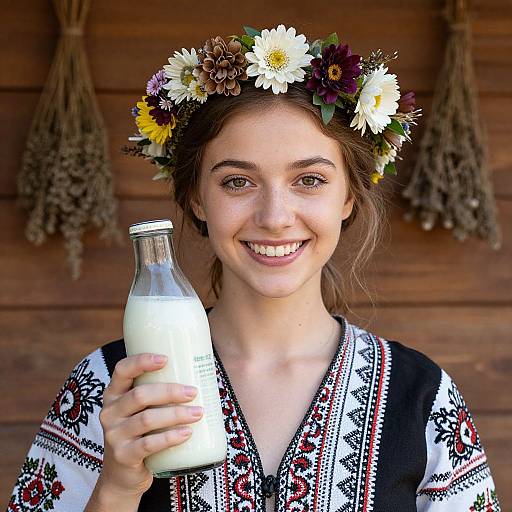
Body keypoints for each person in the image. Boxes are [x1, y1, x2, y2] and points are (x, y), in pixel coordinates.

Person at [8, 25, 501, 512]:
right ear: (197, 199)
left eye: (309, 179)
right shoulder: (107, 387)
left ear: (349, 196)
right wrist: (116, 489)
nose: (274, 218)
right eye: (238, 182)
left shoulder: (422, 396)